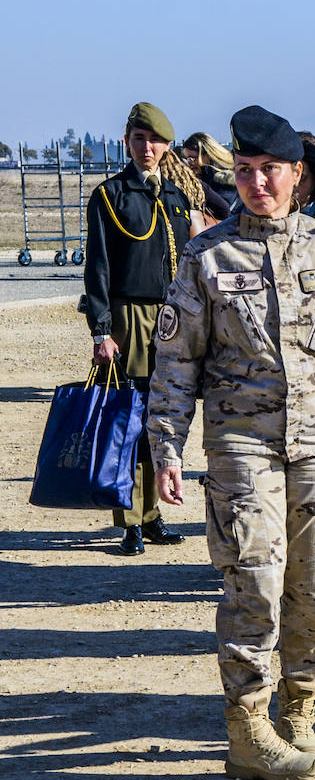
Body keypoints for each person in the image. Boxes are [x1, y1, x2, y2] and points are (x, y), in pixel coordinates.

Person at [146, 105, 315, 780]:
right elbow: (174, 364)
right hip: (241, 444)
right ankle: (247, 725)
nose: (256, 183)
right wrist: (166, 447)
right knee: (253, 580)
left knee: (314, 587)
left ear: (297, 176)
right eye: (245, 171)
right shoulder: (207, 255)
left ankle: (300, 706)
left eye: (269, 171)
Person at [83, 102, 197, 556]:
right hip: (128, 319)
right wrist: (101, 329)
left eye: (155, 141)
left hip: (171, 320)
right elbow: (98, 267)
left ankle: (153, 515)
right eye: (138, 139)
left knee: (160, 417)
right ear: (126, 141)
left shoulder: (175, 197)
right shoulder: (109, 195)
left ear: (168, 146)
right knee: (127, 419)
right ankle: (129, 518)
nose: (146, 148)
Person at [182, 131, 237, 220]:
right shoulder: (204, 176)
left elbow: (225, 211)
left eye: (193, 158)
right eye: (187, 158)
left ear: (208, 155)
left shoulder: (225, 178)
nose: (190, 163)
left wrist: (198, 184)